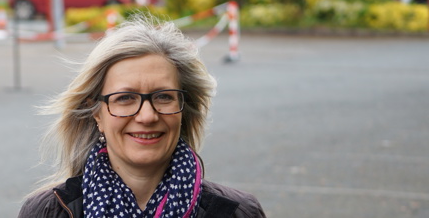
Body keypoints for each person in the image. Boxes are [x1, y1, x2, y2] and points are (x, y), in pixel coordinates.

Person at [18, 16, 265, 217]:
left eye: (163, 97)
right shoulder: (46, 212)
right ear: (97, 113)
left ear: (184, 107)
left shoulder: (239, 212)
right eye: (125, 98)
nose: (147, 116)